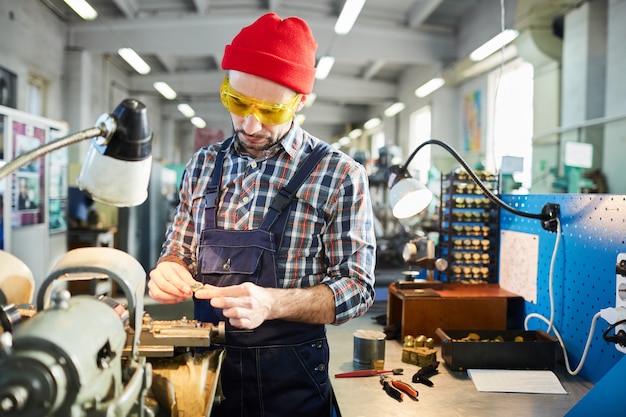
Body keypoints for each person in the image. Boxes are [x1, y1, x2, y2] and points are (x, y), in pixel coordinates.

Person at [147, 12, 377, 417]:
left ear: (299, 101)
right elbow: (177, 249)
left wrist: (273, 303)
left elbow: (357, 288)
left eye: (270, 111)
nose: (250, 124)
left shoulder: (340, 174)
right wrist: (168, 268)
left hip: (291, 381)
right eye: (237, 103)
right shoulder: (202, 165)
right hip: (204, 369)